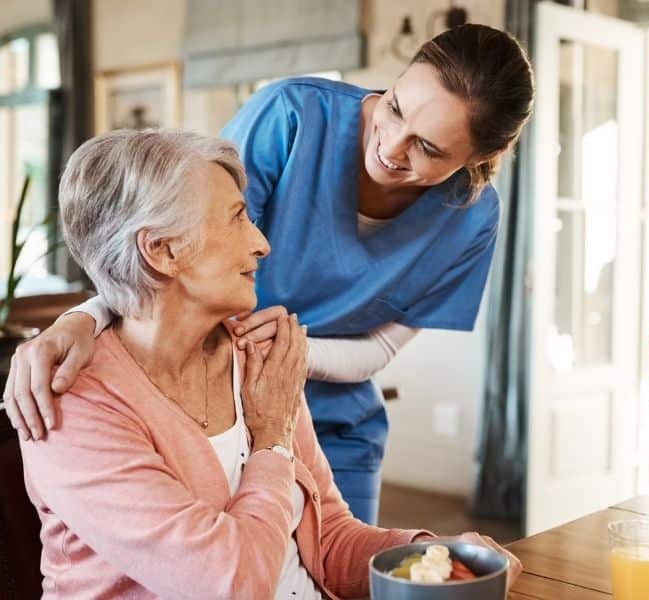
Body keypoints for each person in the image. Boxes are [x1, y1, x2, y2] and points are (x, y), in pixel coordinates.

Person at [4, 24, 535, 525]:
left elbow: (381, 350)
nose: (390, 147)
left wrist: (285, 357)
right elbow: (170, 242)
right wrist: (85, 317)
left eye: (428, 147)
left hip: (334, 423)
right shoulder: (292, 116)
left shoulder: (471, 219)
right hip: (210, 403)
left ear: (481, 157)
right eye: (394, 108)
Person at [19, 129, 521, 599]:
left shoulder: (255, 356)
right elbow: (234, 582)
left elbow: (329, 539)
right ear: (162, 251)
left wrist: (438, 558)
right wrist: (272, 440)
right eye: (237, 217)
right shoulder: (71, 405)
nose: (261, 242)